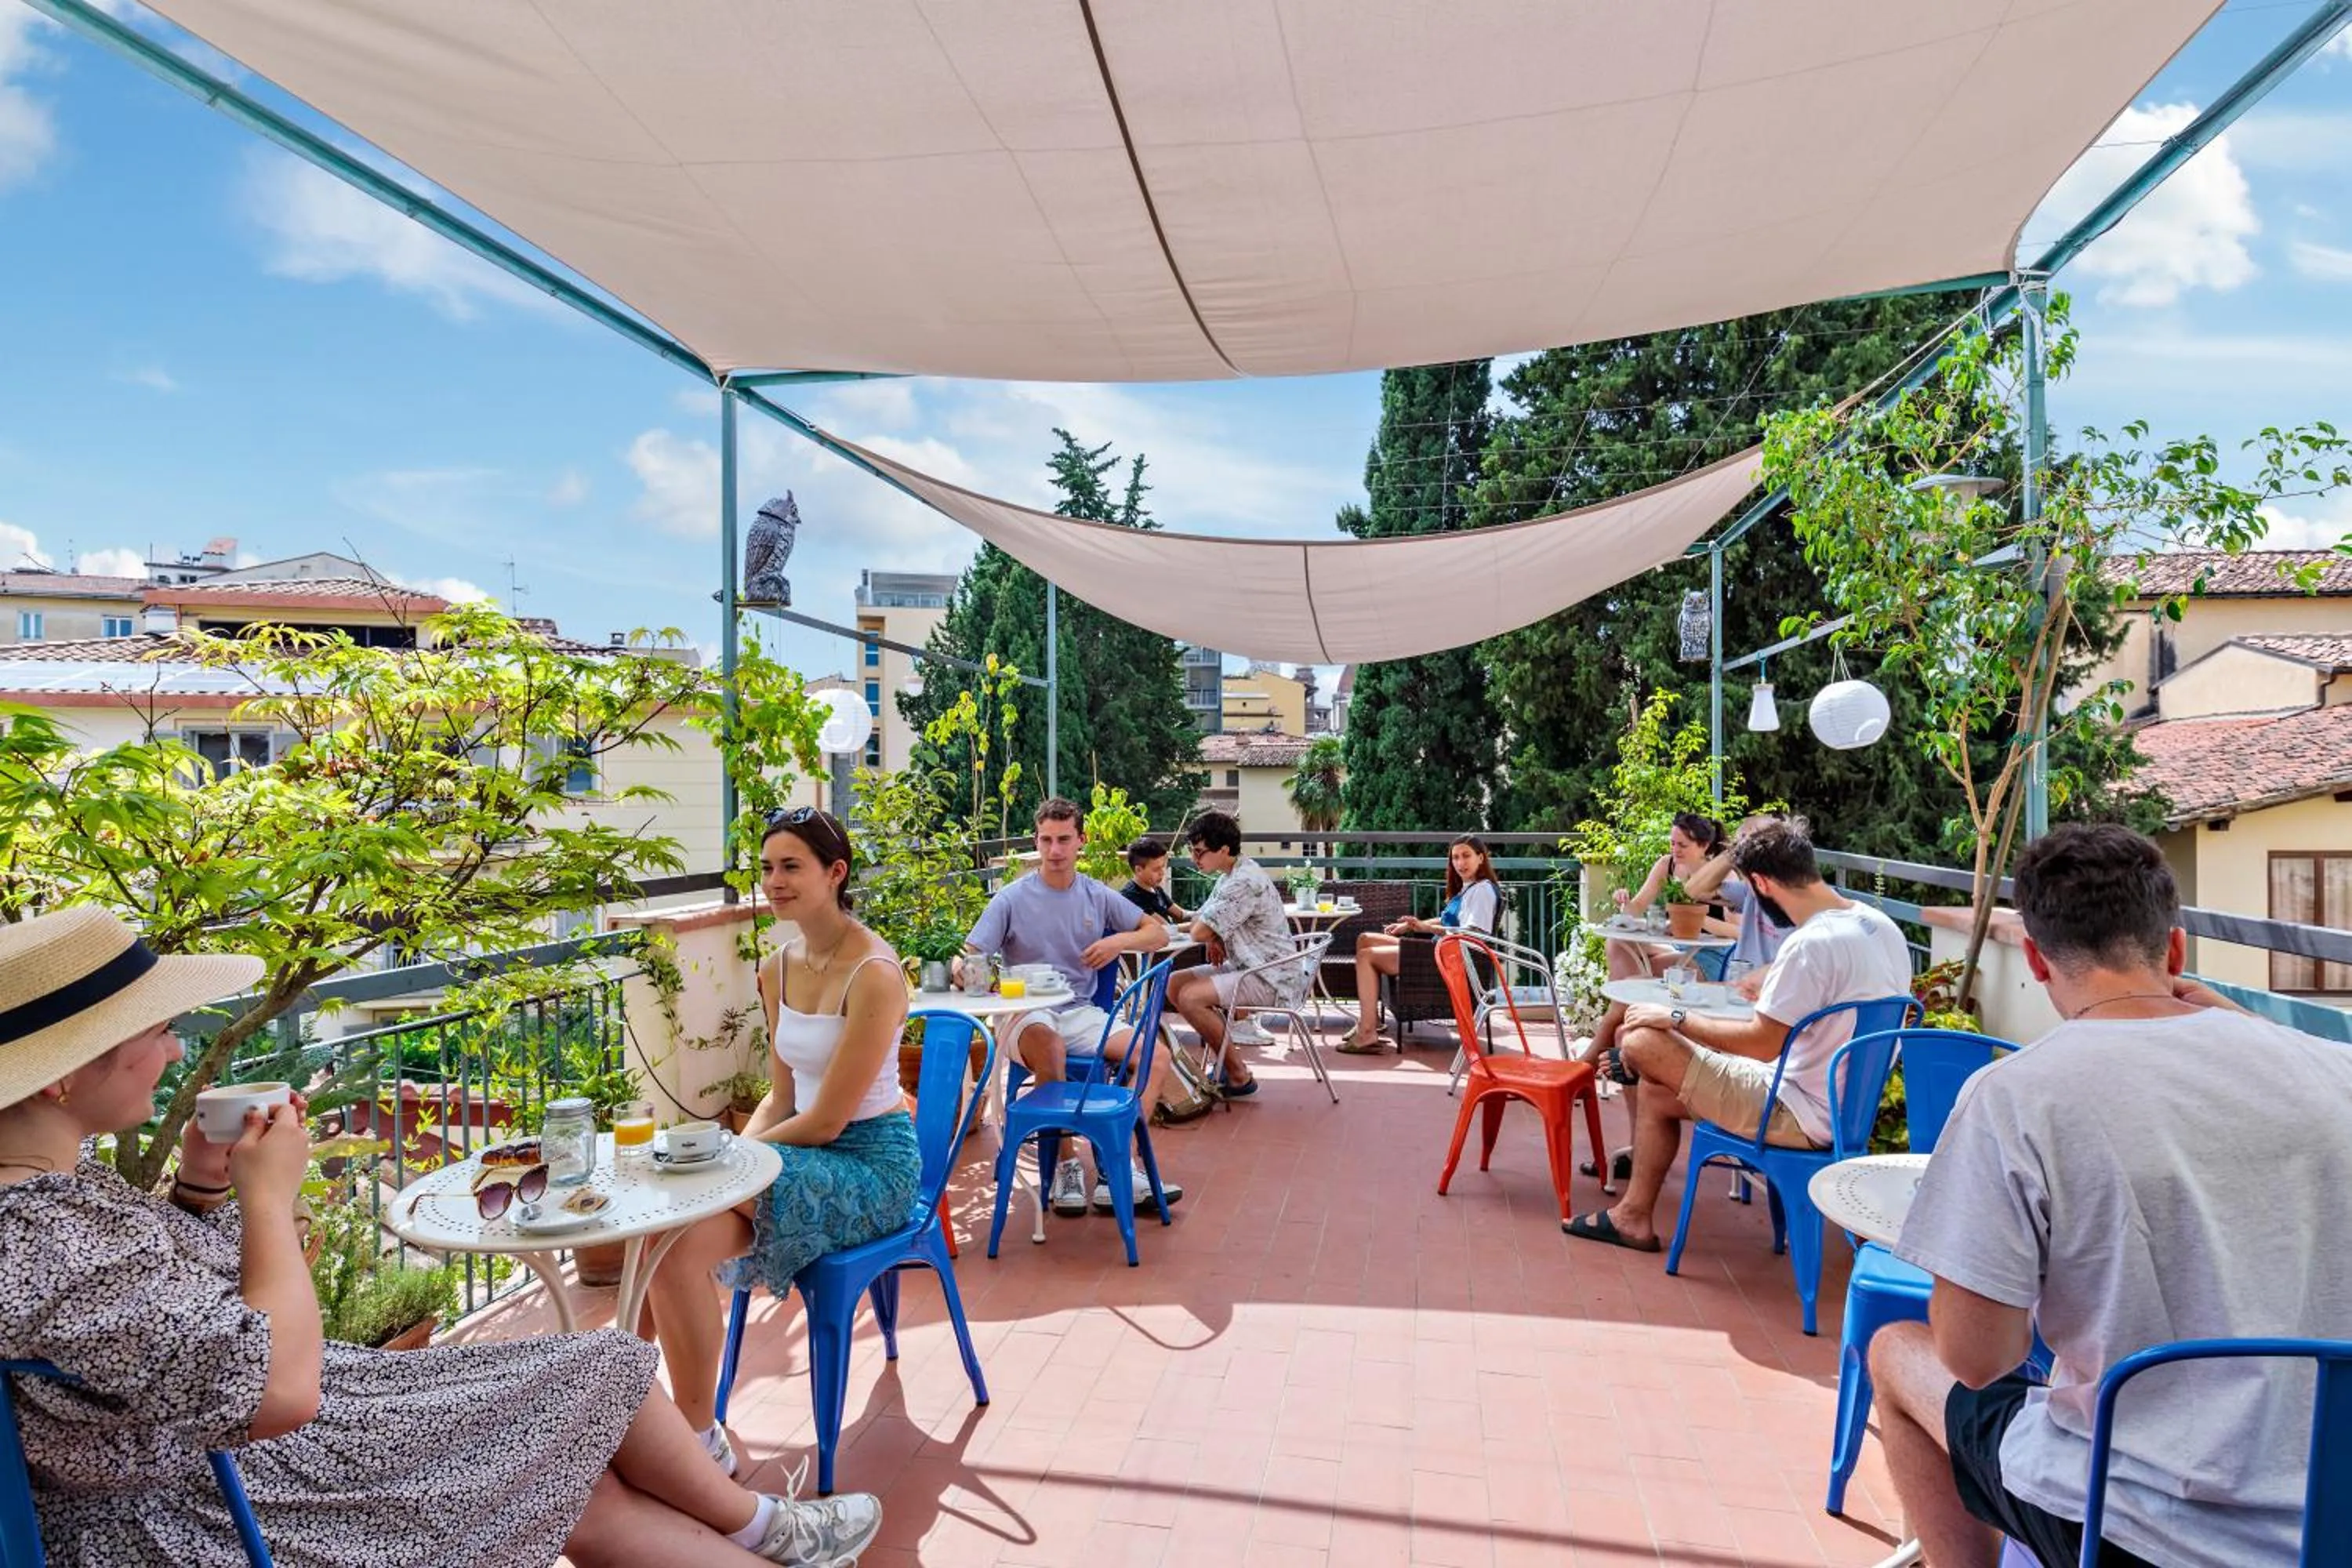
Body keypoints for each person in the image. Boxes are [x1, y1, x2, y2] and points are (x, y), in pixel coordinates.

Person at [0, 906, 880, 1568]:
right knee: (587, 1396)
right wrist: (266, 1198)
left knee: (588, 1421)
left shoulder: (52, 1200)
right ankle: (771, 1531)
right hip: (218, 1497)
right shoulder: (37, 1235)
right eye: (155, 1032)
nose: (171, 1051)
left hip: (225, 1452)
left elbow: (155, 1324)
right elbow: (277, 1389)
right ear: (64, 1078)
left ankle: (768, 1532)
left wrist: (198, 1185)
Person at [1871, 825, 2352, 1568]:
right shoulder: (2336, 1073)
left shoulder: (2017, 1098)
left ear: (2033, 958)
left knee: (1898, 1353)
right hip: (2332, 1525)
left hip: (2139, 1531)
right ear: (2177, 949)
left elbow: (1978, 1360)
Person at [645, 807, 919, 1491]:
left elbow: (827, 1121)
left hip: (870, 1163)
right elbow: (780, 1097)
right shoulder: (778, 967)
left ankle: (686, 1441)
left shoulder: (875, 972)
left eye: (792, 866)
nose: (775, 881)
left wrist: (733, 1164)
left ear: (836, 873)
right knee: (665, 1245)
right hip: (800, 1150)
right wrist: (731, 1152)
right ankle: (689, 1433)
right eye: (767, 868)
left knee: (687, 1214)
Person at [1563, 815, 1910, 1251]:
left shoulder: (1810, 946)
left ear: (1761, 884)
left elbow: (1761, 1045)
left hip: (1796, 1109)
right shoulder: (1878, 926)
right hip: (1847, 1109)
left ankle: (1628, 1064)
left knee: (1641, 1038)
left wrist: (1676, 1019)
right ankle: (1632, 1217)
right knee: (1655, 1090)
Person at [959, 797, 1177, 1219]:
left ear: (1082, 840)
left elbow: (1158, 934)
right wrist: (960, 967)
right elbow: (971, 951)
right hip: (1025, 1013)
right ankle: (1066, 1166)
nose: (1054, 850)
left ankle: (1118, 1164)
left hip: (1078, 1009)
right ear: (1037, 842)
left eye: (1063, 840)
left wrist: (1117, 940)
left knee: (1156, 1056)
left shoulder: (1097, 895)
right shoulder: (1011, 898)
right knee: (1052, 1048)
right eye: (1046, 840)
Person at [1163, 811, 1308, 1097]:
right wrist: (1162, 929)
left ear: (1224, 850)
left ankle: (1238, 1074)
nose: (1194, 859)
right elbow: (1200, 921)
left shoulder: (1243, 881)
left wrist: (1211, 933)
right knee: (1174, 984)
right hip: (1249, 965)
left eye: (1199, 852)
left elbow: (1198, 931)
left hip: (1271, 975)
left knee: (1191, 998)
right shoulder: (1230, 875)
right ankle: (1225, 1054)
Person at [1335, 834, 1502, 1054]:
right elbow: (1446, 920)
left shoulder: (1482, 891)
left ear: (1481, 858)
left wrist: (1424, 929)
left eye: (1466, 856)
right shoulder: (1469, 887)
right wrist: (1412, 926)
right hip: (1437, 953)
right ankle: (1371, 1020)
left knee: (1367, 956)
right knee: (1365, 939)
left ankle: (1366, 1033)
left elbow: (1471, 934)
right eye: (1456, 858)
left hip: (1446, 962)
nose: (1460, 863)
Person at [1118, 837, 1188, 924]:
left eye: (1163, 866)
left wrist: (1203, 915)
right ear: (1139, 870)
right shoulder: (1131, 897)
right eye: (1156, 869)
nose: (1162, 873)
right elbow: (1164, 929)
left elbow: (1181, 915)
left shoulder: (1155, 889)